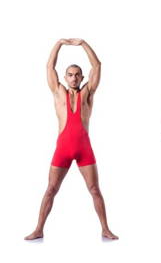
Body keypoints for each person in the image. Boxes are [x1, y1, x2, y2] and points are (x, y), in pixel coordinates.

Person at [25, 39, 118, 240]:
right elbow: (50, 66)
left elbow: (97, 65)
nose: (74, 78)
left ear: (82, 77)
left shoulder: (87, 93)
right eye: (70, 75)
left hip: (84, 150)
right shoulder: (58, 92)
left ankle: (105, 228)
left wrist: (83, 43)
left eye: (77, 74)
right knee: (50, 189)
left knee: (94, 189)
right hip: (63, 150)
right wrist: (59, 43)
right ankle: (39, 229)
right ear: (65, 77)